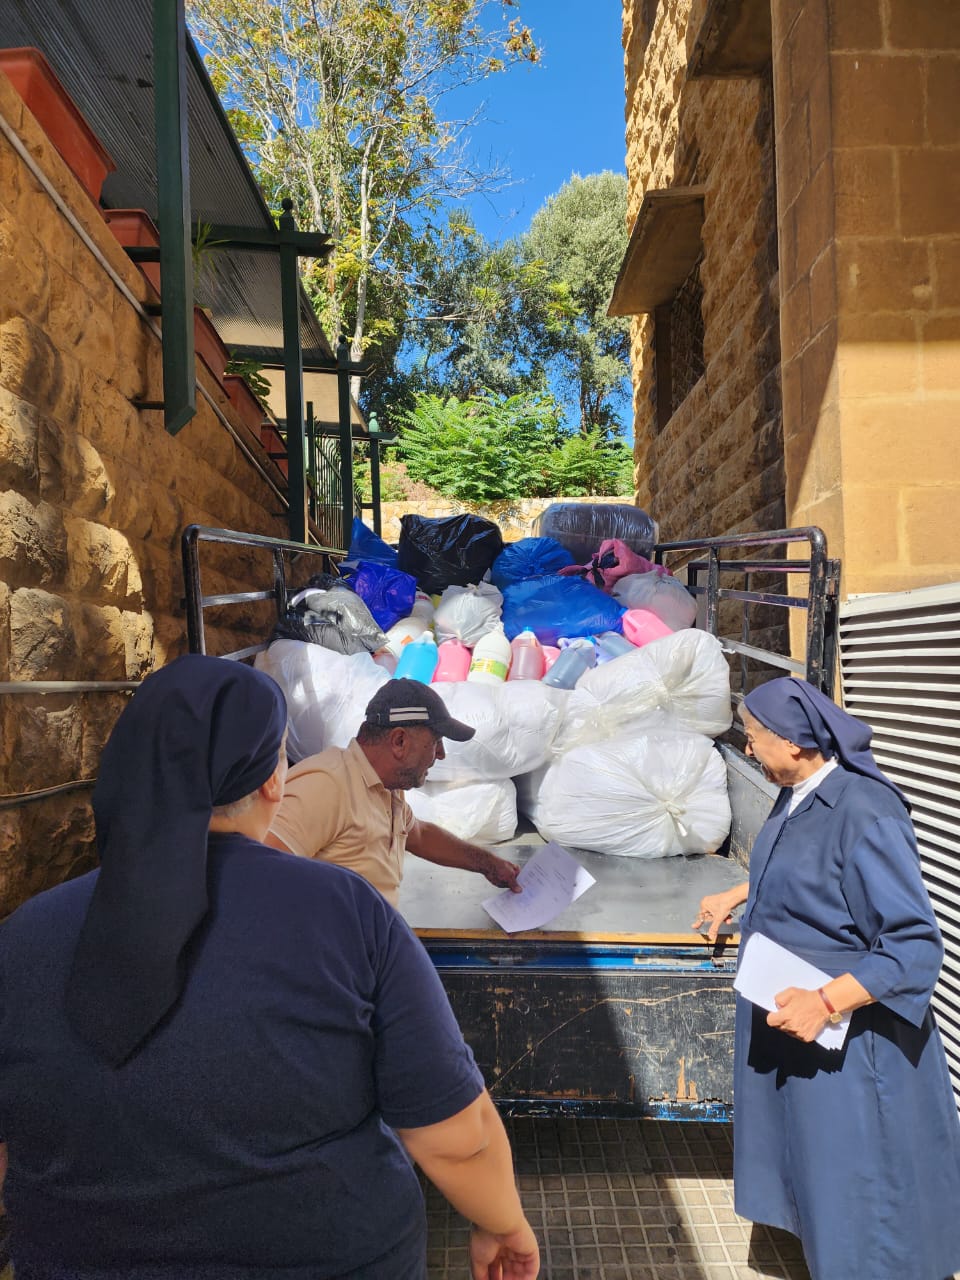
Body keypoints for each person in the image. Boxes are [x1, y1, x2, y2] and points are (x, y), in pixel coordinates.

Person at [0, 656, 540, 1280]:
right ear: (270, 785)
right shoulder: (345, 912)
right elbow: (455, 1135)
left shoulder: (23, 936)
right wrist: (505, 1224)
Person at [693, 676, 960, 1280]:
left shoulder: (865, 810)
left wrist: (826, 1002)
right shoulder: (798, 792)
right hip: (802, 1021)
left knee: (861, 1177)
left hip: (852, 1038)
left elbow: (913, 945)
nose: (749, 748)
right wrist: (741, 892)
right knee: (817, 1164)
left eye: (755, 737)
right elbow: (808, 869)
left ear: (792, 742)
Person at [265, 678, 522, 906]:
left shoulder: (387, 787)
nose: (441, 754)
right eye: (435, 742)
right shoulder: (326, 786)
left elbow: (418, 835)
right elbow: (259, 871)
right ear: (399, 741)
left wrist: (488, 864)